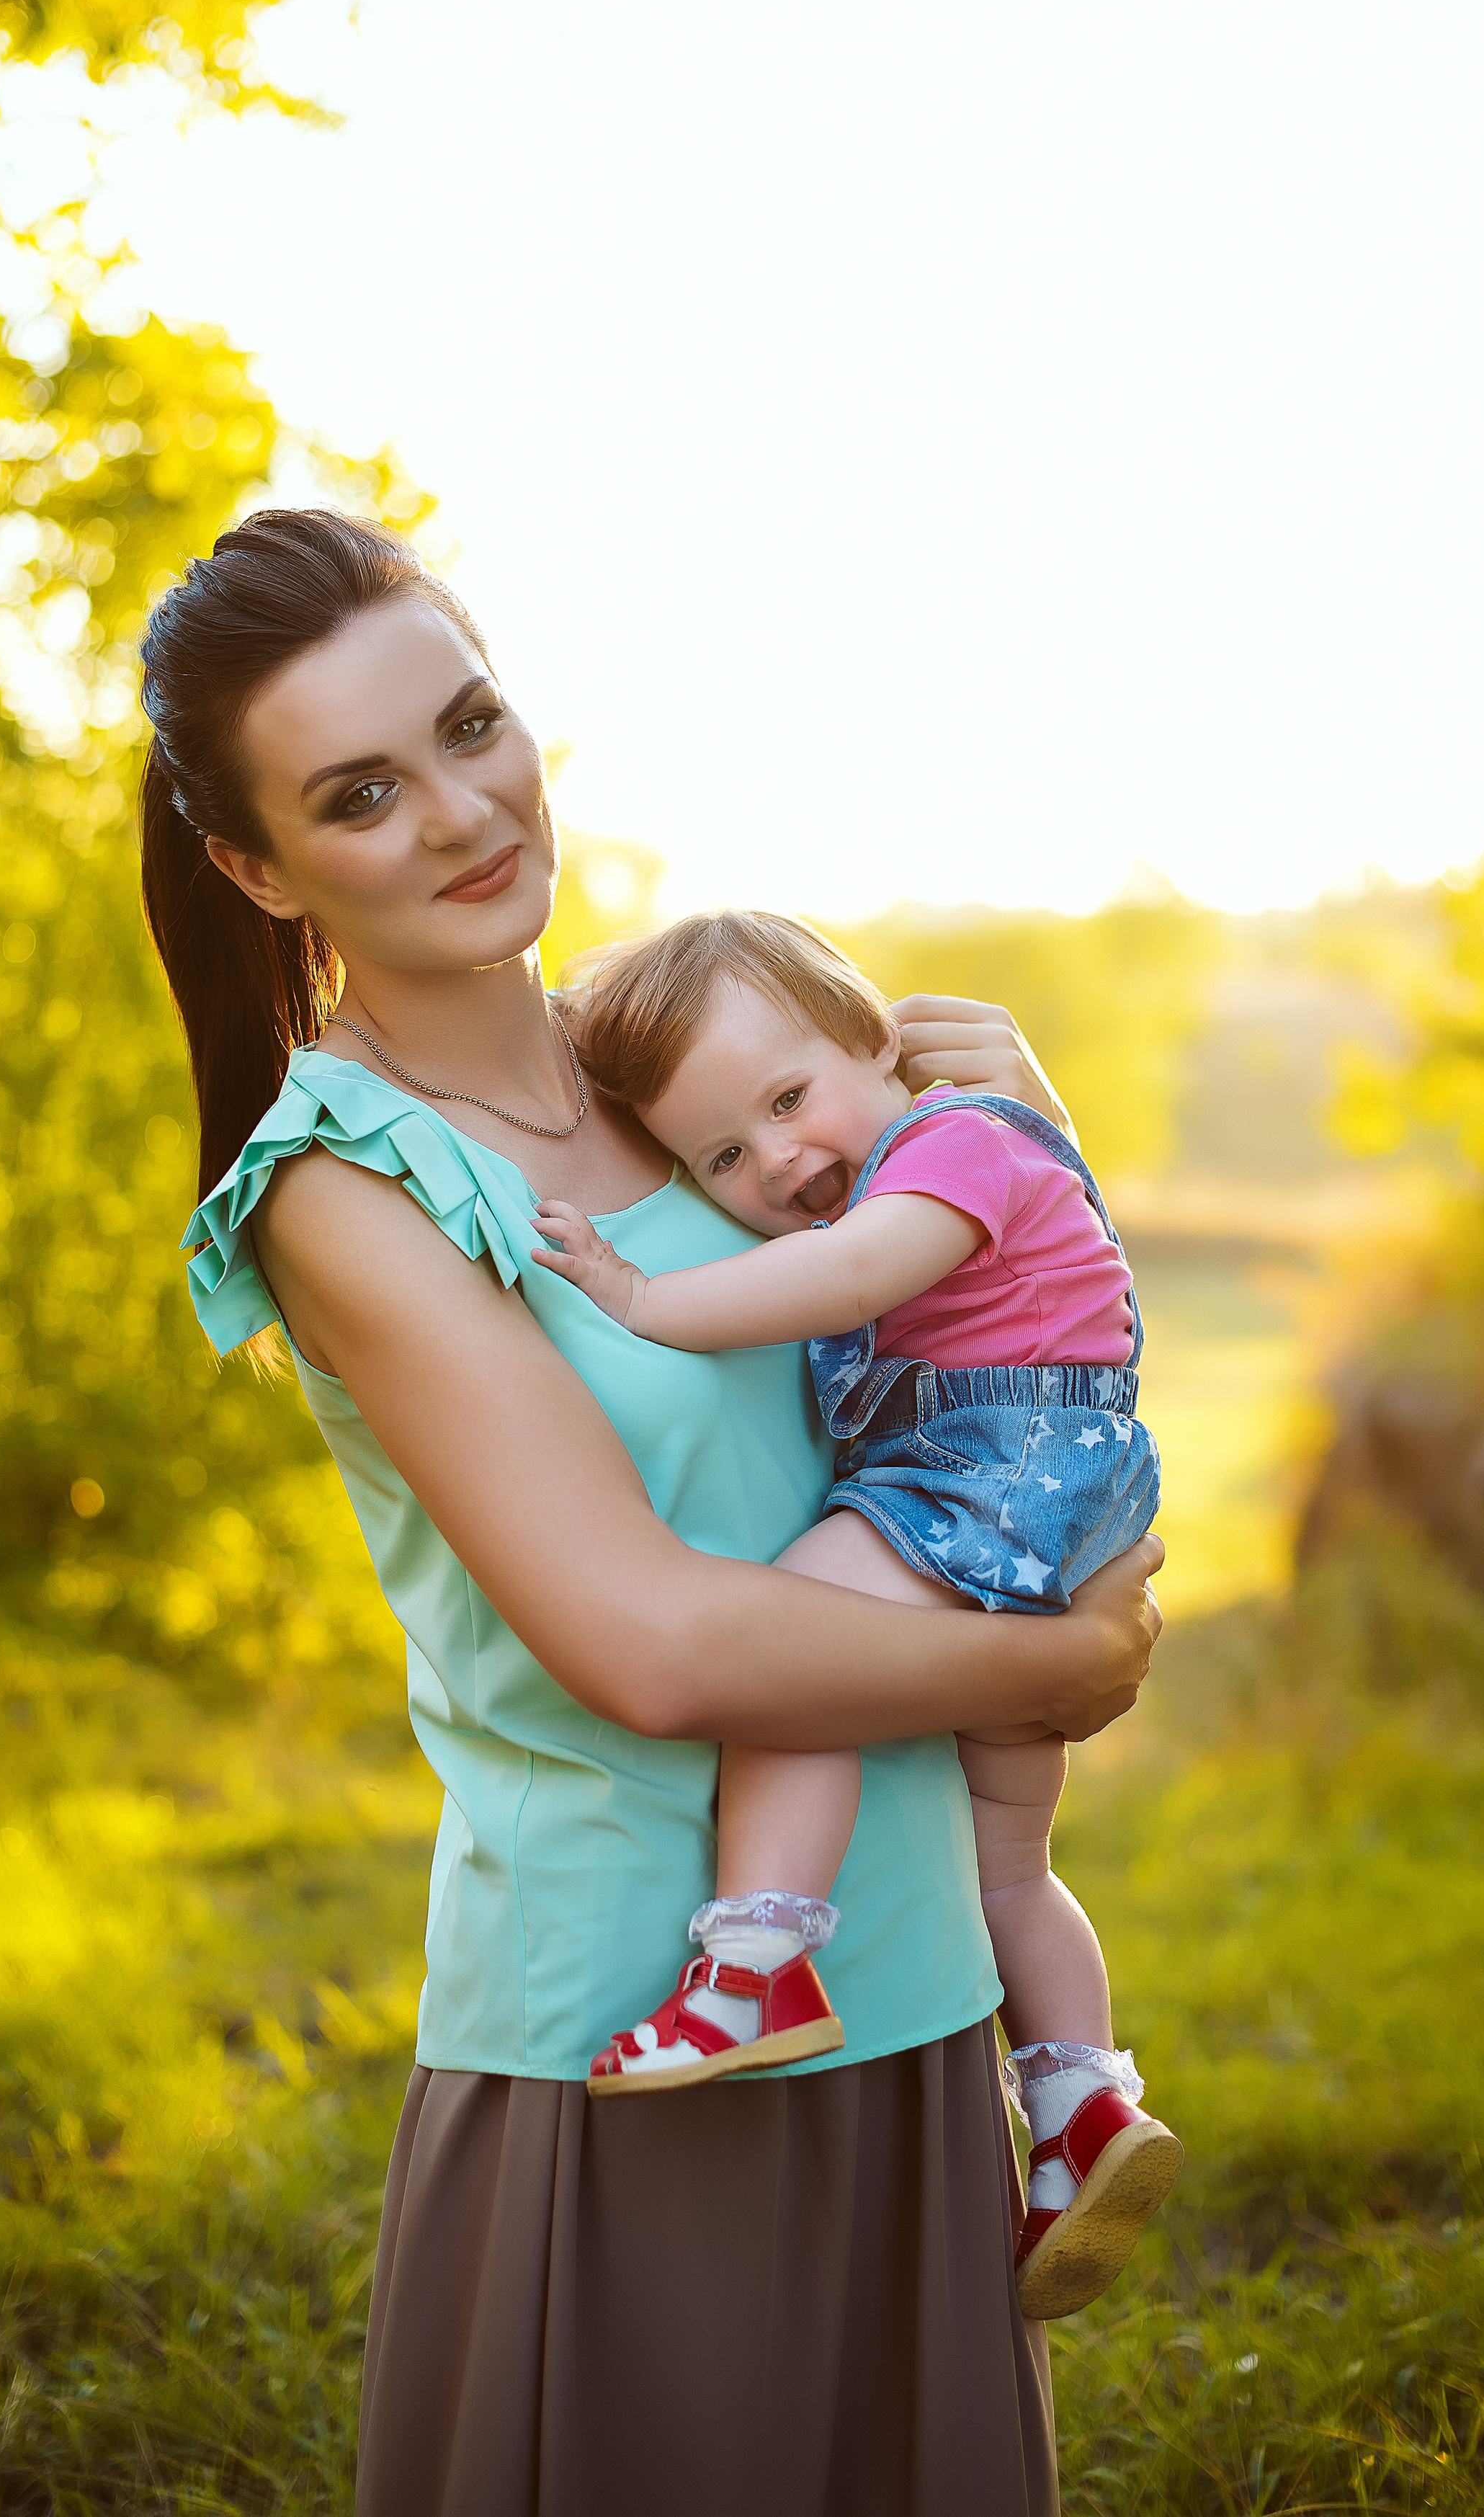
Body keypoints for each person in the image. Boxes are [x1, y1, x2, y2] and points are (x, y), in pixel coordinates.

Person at [138, 506, 1163, 2517]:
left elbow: (1026, 1395)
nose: (459, 813)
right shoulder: (347, 1185)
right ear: (259, 872)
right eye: (362, 795)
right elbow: (653, 1639)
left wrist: (1024, 1141)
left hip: (912, 1972)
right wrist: (1067, 1664)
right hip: (641, 2025)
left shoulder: (694, 1071)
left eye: (471, 724)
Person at [532, 912, 1180, 2320]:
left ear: (876, 1040)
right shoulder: (943, 1152)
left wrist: (639, 1294)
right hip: (1054, 1500)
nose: (772, 1160)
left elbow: (847, 1278)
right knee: (1006, 1862)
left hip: (997, 1465)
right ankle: (1078, 2113)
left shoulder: (953, 1142)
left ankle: (754, 1963)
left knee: (795, 1651)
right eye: (720, 1155)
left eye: (785, 1098)